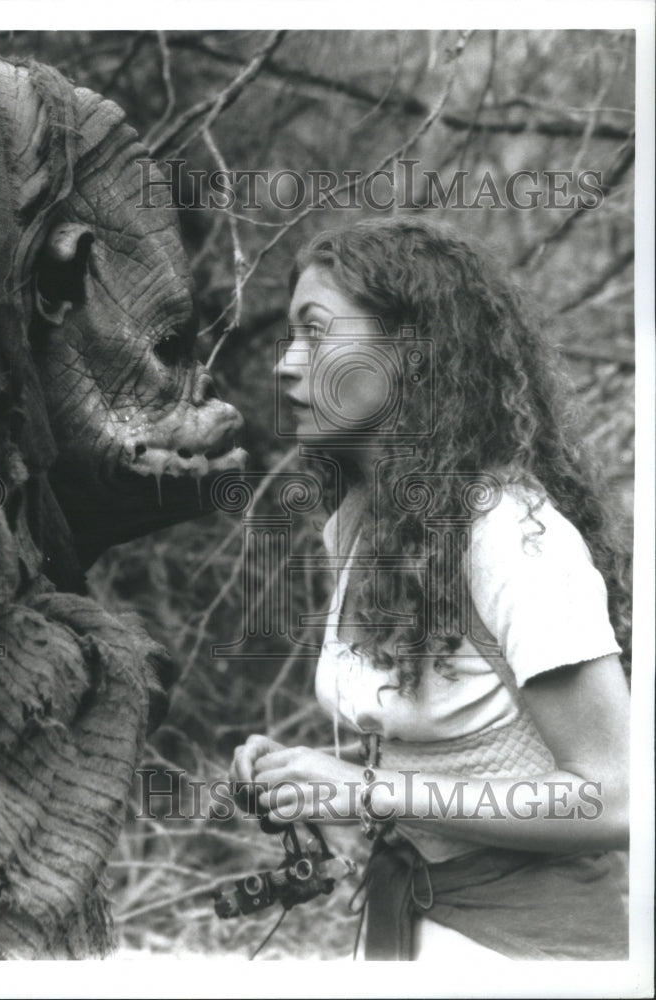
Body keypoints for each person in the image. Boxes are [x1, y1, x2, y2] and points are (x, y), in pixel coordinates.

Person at [229, 218, 630, 960]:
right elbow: (442, 754)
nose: (286, 365)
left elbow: (614, 798)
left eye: (315, 334)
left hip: (535, 951)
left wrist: (364, 793)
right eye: (289, 336)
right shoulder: (362, 524)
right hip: (404, 926)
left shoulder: (507, 534)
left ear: (412, 353)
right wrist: (305, 774)